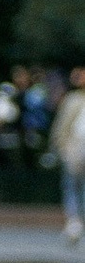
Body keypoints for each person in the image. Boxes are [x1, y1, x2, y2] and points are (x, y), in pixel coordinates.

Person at [52, 64, 85, 247]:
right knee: (72, 185)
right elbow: (62, 126)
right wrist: (60, 146)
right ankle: (74, 222)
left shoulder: (73, 100)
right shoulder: (72, 99)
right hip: (75, 151)